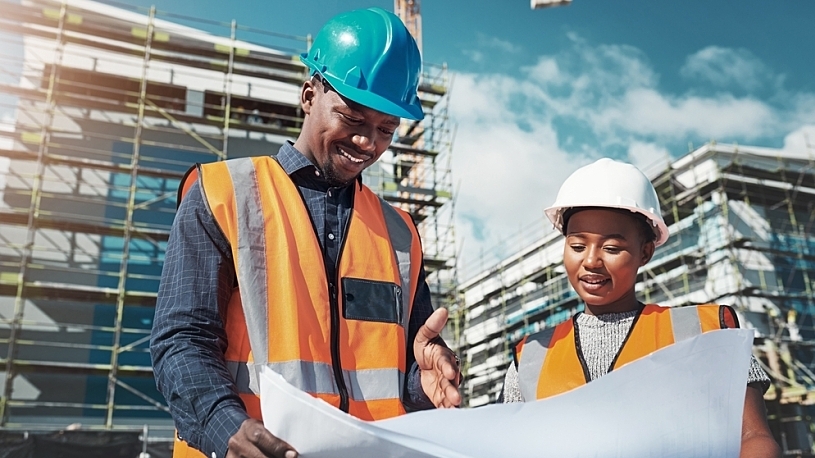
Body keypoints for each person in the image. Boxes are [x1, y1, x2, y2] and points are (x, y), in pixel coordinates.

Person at [150, 8, 461, 458]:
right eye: (353, 119)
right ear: (309, 94)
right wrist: (226, 428)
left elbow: (401, 365)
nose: (369, 143)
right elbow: (182, 341)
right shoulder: (223, 195)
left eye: (386, 129)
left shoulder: (400, 235)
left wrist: (424, 379)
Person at [500, 158, 781, 458]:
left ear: (645, 252)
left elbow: (754, 438)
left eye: (611, 248)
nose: (591, 261)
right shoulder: (530, 358)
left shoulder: (706, 331)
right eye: (578, 246)